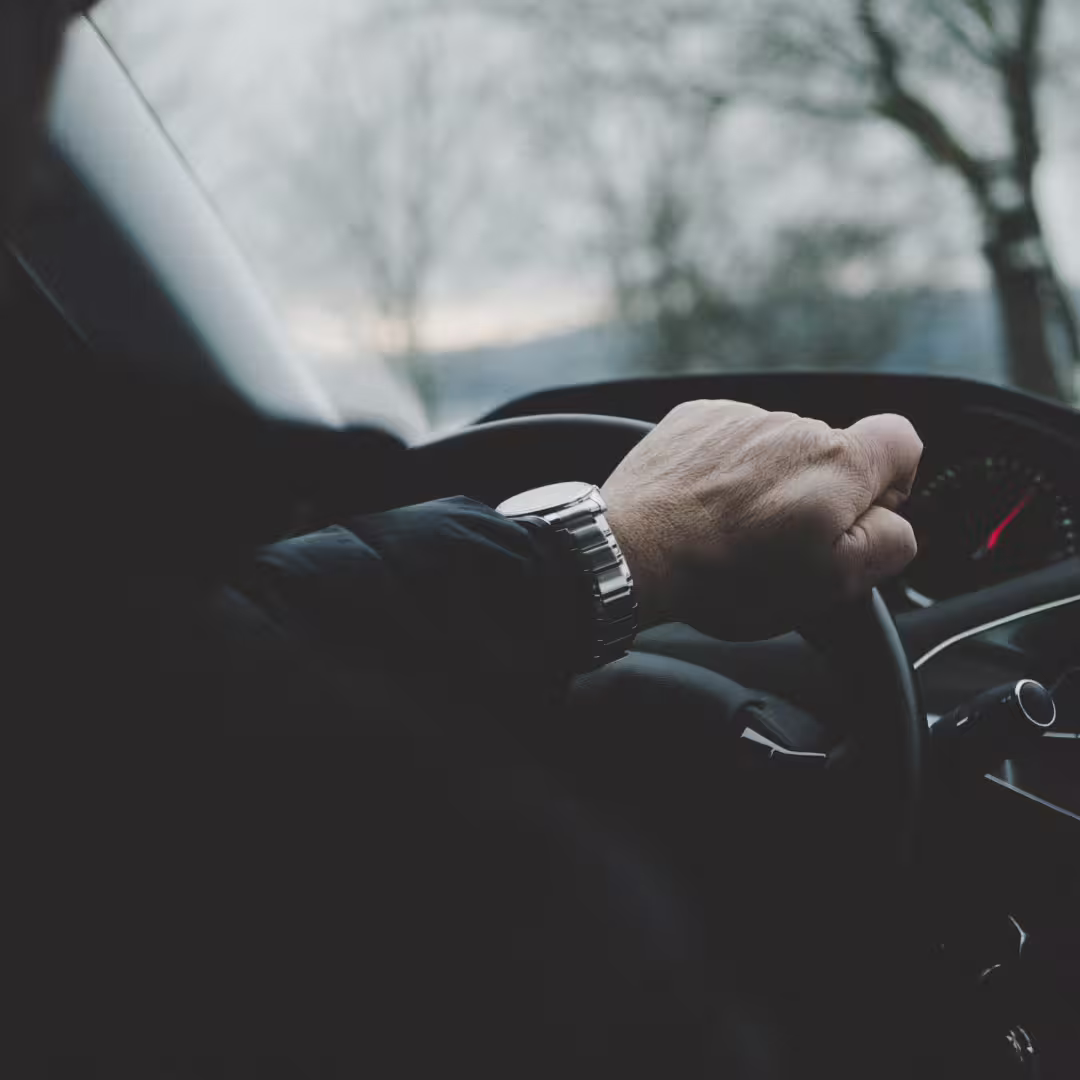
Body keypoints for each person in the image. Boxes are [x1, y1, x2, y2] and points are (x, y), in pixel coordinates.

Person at [8, 4, 924, 1077]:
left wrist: (619, 546)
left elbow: (213, 652)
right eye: (45, 24)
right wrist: (621, 546)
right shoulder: (488, 922)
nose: (42, 185)